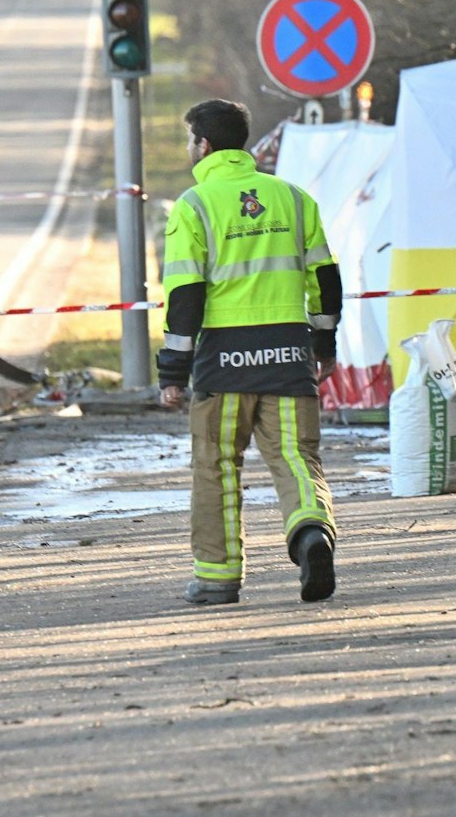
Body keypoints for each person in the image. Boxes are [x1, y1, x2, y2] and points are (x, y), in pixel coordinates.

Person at [158, 99, 343, 605]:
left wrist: (172, 370)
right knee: (296, 457)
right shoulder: (293, 198)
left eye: (189, 139)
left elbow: (186, 296)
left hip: (223, 363)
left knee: (215, 463)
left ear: (205, 145)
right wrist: (322, 343)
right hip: (288, 354)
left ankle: (217, 578)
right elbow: (325, 278)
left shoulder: (194, 206)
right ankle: (311, 536)